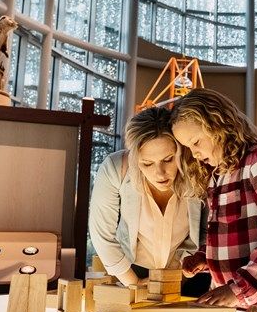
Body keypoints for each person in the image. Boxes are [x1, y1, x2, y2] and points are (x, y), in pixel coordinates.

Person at [170, 88, 257, 311]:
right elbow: (227, 233)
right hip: (230, 300)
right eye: (188, 148)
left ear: (217, 125)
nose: (194, 154)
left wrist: (237, 289)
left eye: (196, 142)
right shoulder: (216, 176)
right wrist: (203, 256)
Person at [88, 107, 210, 297]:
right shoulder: (115, 168)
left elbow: (208, 230)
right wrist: (134, 283)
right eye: (147, 163)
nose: (159, 173)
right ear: (135, 158)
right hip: (130, 271)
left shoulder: (198, 168)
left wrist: (184, 273)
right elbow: (102, 235)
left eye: (168, 160)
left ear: (181, 151)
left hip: (191, 273)